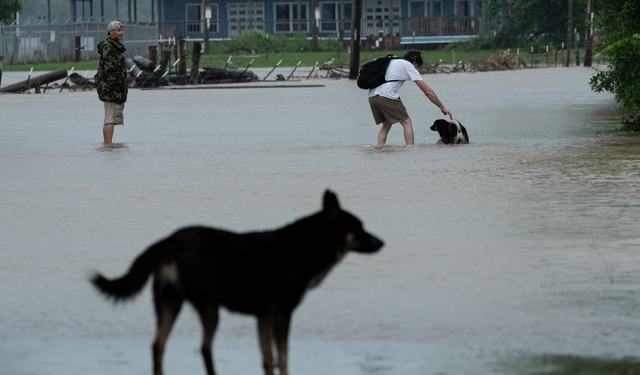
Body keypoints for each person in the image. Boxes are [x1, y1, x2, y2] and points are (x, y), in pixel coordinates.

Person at [368, 49, 452, 145]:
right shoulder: (408, 65)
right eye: (417, 66)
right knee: (407, 122)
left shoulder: (392, 60)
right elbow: (427, 91)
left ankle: (379, 150)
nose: (416, 69)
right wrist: (442, 108)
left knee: (386, 124)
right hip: (386, 95)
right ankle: (410, 151)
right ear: (415, 61)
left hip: (372, 96)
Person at [96, 21, 128, 144]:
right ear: (111, 32)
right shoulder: (109, 47)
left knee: (112, 118)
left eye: (122, 30)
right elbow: (111, 70)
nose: (121, 33)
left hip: (111, 87)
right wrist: (116, 89)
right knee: (109, 118)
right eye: (118, 31)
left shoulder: (114, 47)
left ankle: (109, 145)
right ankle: (108, 145)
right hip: (110, 88)